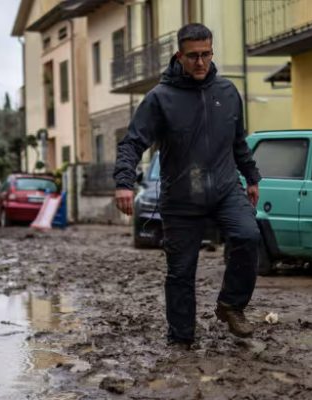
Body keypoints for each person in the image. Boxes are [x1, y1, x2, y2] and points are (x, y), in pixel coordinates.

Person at [113, 23, 262, 348]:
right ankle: (181, 340)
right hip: (181, 198)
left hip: (225, 189)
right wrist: (124, 183)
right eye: (193, 56)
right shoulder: (160, 98)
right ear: (179, 55)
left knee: (249, 236)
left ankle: (231, 306)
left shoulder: (227, 93)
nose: (200, 62)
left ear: (212, 52)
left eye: (206, 54)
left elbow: (238, 143)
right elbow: (132, 143)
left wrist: (251, 177)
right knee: (181, 272)